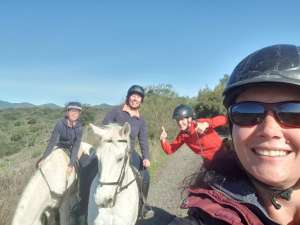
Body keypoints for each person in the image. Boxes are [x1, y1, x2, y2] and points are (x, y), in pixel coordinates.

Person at [169, 44, 300, 225]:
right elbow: (170, 149)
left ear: (190, 118)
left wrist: (207, 123)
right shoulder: (183, 136)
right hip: (214, 165)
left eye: (294, 114)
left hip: (222, 154)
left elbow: (220, 120)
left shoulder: (201, 125)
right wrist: (162, 142)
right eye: (247, 113)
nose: (269, 130)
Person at [79, 85, 154, 220]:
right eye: (133, 95)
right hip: (110, 149)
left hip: (129, 151)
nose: (135, 98)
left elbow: (143, 140)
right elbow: (105, 126)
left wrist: (146, 157)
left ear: (141, 101)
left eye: (138, 97)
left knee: (145, 175)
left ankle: (142, 205)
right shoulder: (116, 111)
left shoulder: (141, 120)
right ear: (128, 97)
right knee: (87, 166)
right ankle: (83, 202)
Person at [160, 104, 227, 161]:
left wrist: (206, 124)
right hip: (210, 162)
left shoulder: (200, 123)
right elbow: (170, 150)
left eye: (182, 119)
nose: (179, 123)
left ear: (189, 118)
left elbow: (224, 119)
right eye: (177, 120)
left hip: (224, 154)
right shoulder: (182, 135)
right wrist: (163, 140)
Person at [38, 101, 83, 175]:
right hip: (59, 145)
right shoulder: (60, 124)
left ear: (79, 114)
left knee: (81, 163)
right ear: (67, 112)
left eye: (77, 111)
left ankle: (79, 181)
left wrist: (71, 164)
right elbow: (53, 142)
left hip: (72, 146)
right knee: (40, 163)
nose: (74, 113)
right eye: (72, 110)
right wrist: (44, 158)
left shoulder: (79, 128)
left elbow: (76, 146)